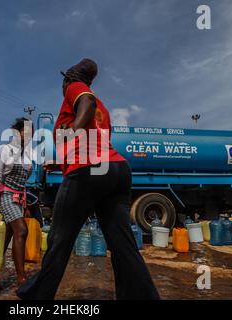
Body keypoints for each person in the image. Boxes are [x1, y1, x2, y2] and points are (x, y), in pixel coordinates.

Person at [17, 59, 160, 300]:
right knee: (123, 244)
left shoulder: (77, 89)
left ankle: (37, 297)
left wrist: (73, 130)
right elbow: (98, 142)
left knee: (59, 239)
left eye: (63, 83)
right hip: (116, 170)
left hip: (88, 172)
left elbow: (87, 103)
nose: (63, 88)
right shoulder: (104, 109)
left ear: (68, 80)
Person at [0, 117, 33, 288]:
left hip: (18, 199)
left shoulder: (28, 156)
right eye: (26, 132)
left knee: (6, 238)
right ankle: (22, 279)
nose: (29, 136)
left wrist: (25, 206)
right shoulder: (5, 149)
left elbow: (23, 185)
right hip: (5, 196)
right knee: (22, 230)